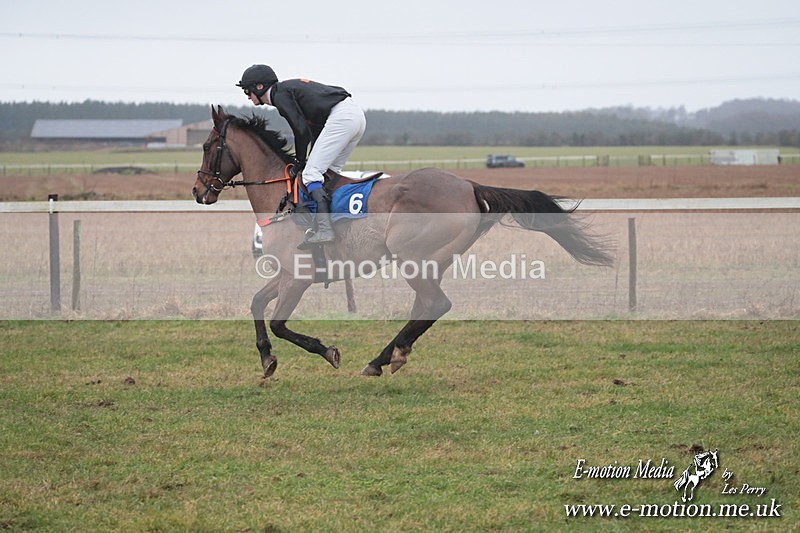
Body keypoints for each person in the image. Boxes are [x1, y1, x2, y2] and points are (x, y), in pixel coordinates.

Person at [236, 64, 366, 246]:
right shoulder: (286, 92)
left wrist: (299, 161)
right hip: (354, 116)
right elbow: (312, 132)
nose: (248, 97)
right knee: (325, 174)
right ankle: (334, 224)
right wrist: (305, 159)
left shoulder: (279, 95)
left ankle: (325, 229)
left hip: (343, 117)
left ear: (259, 87)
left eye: (247, 91)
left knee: (311, 174)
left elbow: (301, 131)